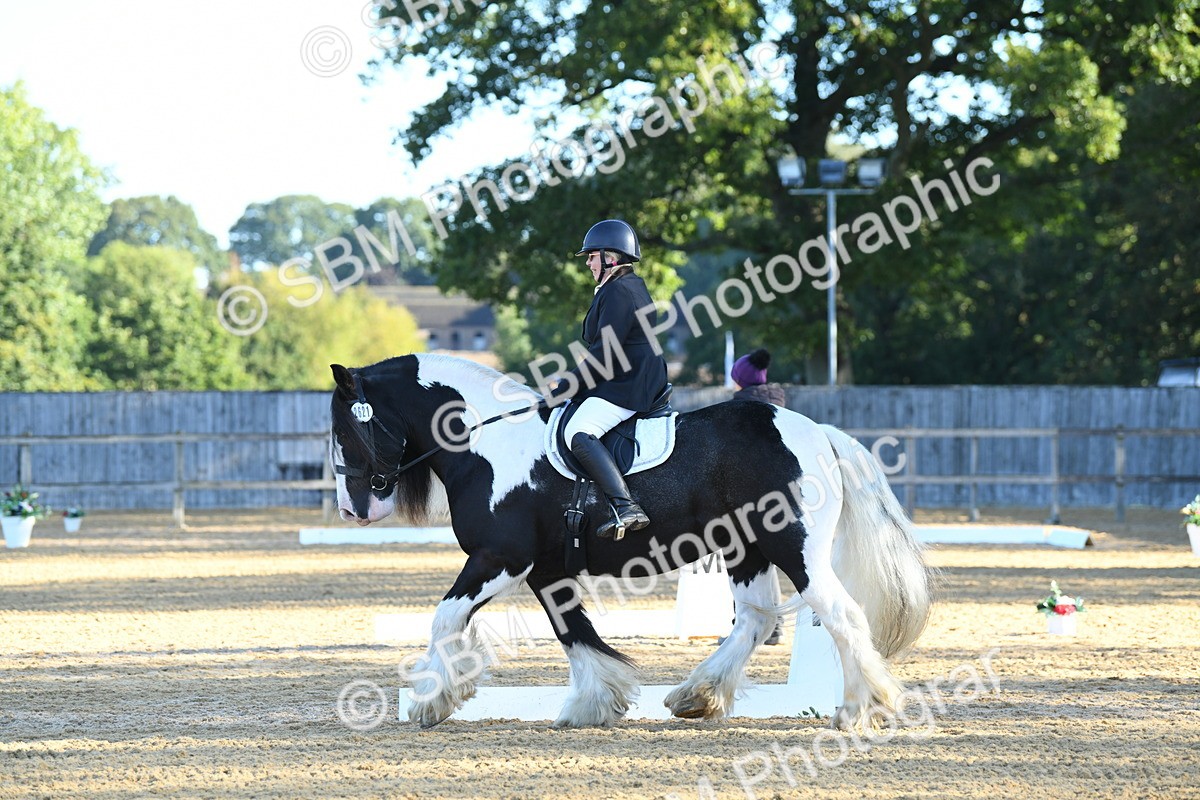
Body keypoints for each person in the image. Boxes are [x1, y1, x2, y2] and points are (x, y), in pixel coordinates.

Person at [551, 219, 668, 539]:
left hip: (629, 382)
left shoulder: (618, 292)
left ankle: (626, 505)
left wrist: (567, 387)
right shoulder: (625, 286)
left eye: (592, 256)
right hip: (628, 374)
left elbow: (604, 355)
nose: (587, 263)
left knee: (579, 430)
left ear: (611, 258)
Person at [726, 347, 786, 645]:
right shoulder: (778, 404)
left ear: (740, 381)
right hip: (782, 493)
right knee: (770, 560)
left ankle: (752, 625)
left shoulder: (740, 411)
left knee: (746, 561)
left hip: (753, 494)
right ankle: (773, 626)